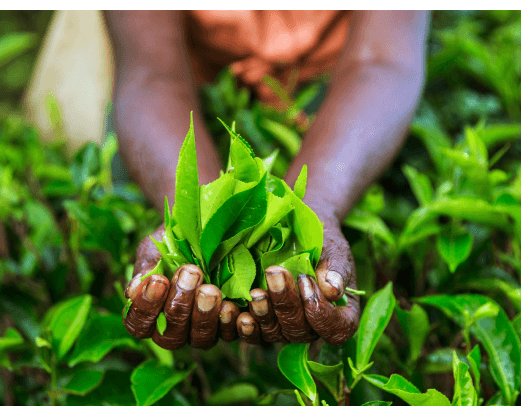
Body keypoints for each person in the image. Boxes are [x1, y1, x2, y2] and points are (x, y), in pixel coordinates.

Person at [104, 10, 428, 350]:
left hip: (341, 84)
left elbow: (381, 61)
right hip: (192, 86)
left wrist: (316, 207)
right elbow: (152, 75)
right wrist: (194, 210)